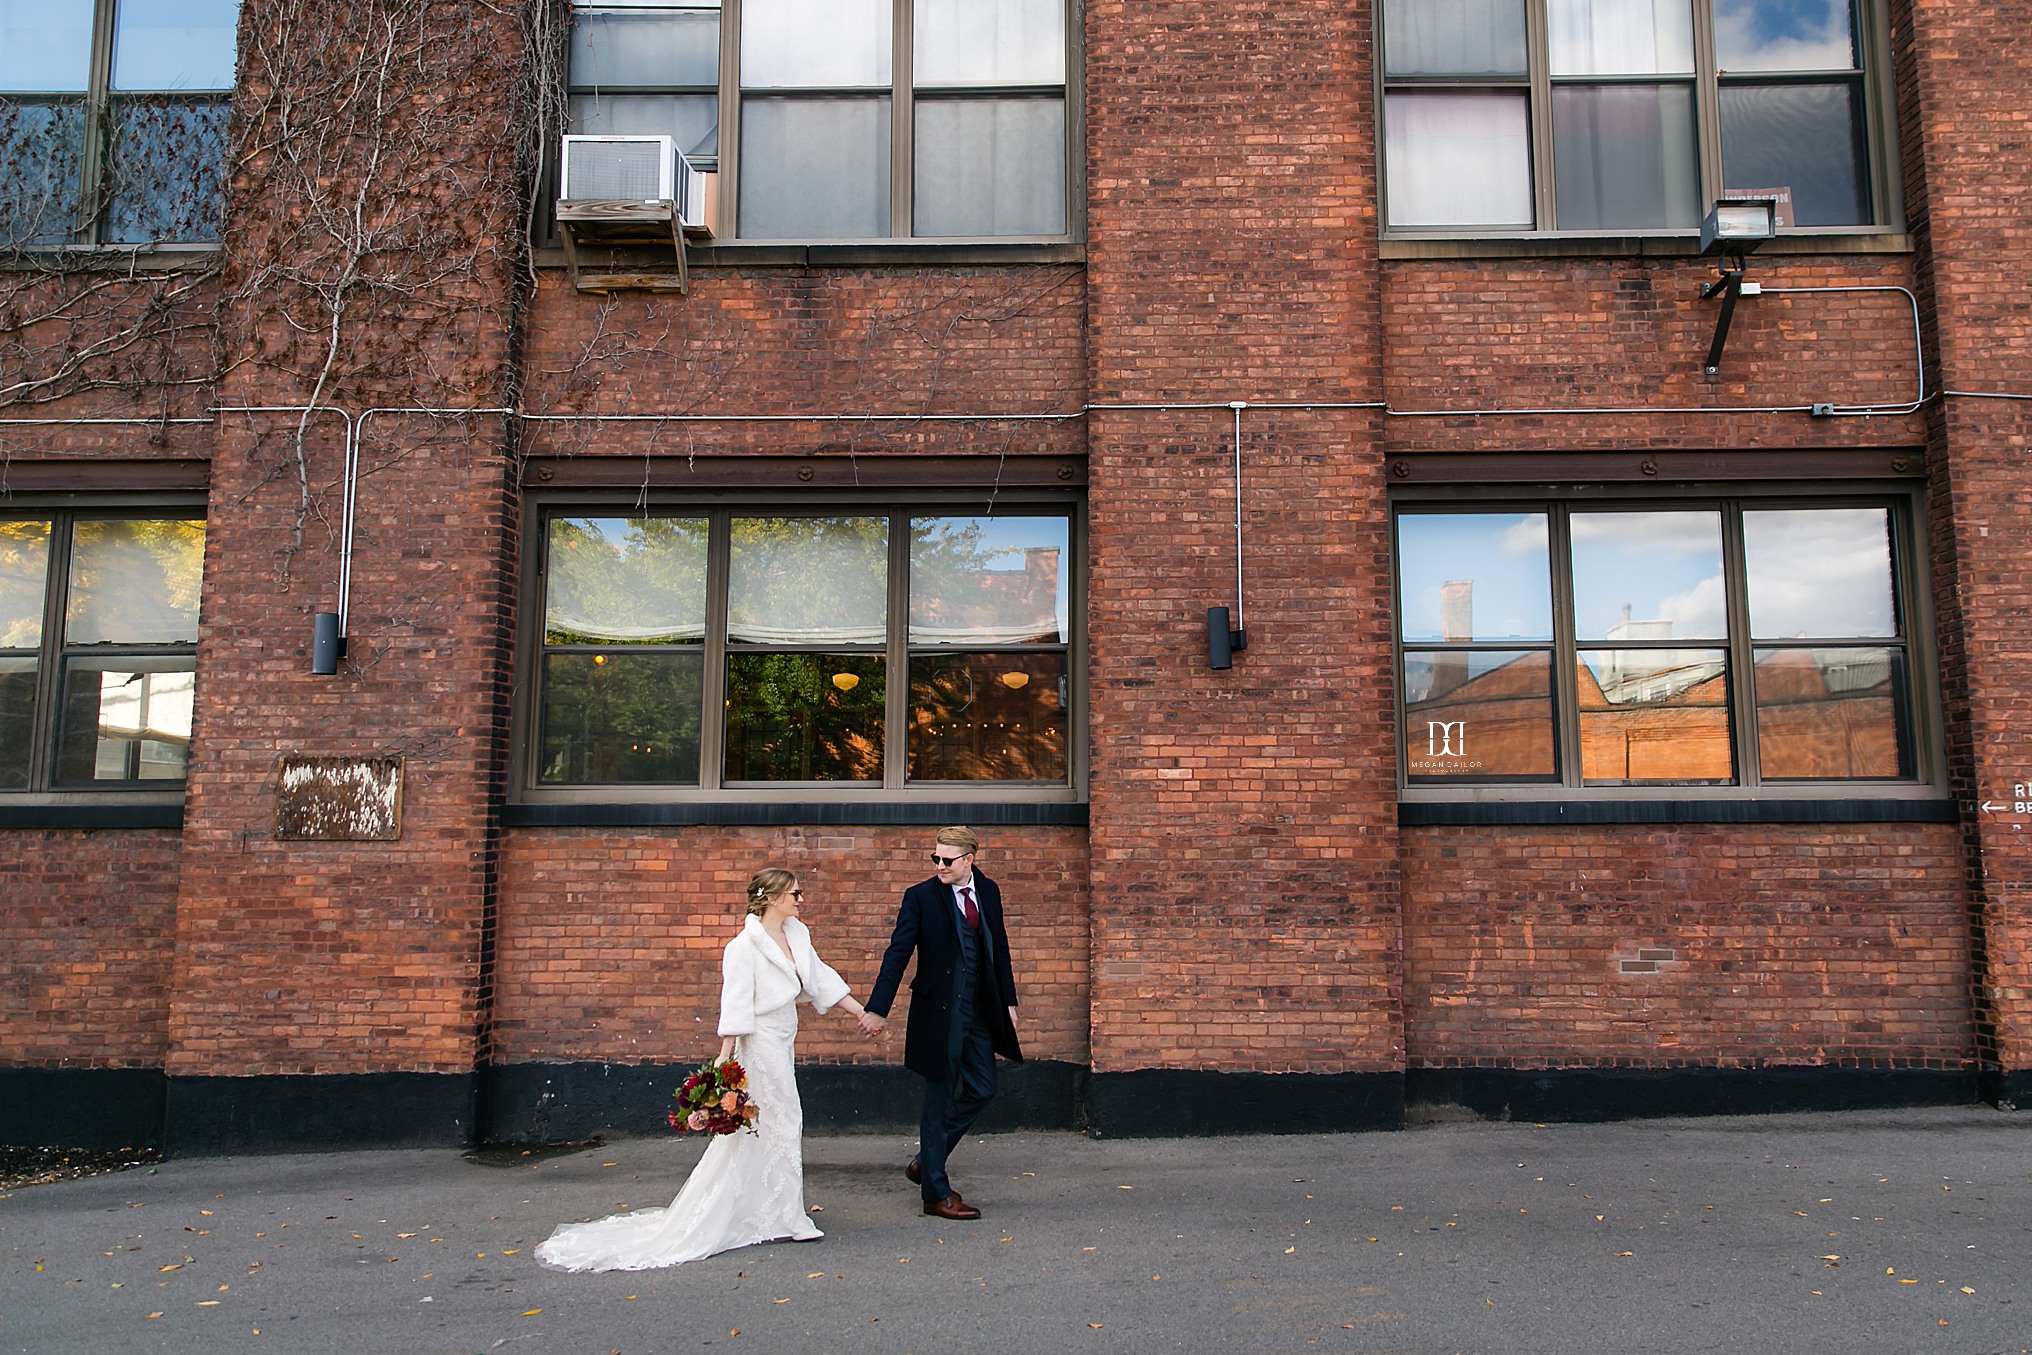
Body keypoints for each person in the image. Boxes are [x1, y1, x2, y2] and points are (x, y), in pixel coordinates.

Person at [536, 868, 875, 1271]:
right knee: (778, 1120)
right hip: (759, 1043)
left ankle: (776, 1210)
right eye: (794, 893)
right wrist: (725, 1057)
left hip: (784, 1036)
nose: (801, 900)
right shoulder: (743, 947)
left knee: (775, 1124)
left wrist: (863, 1013)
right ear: (770, 897)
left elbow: (820, 980)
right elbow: (735, 1003)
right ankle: (784, 1216)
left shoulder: (798, 935)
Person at [859, 826, 1023, 1220]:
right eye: (936, 858)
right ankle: (935, 1191)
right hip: (939, 1015)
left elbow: (998, 947)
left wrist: (1009, 1000)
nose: (940, 866)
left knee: (984, 1087)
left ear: (969, 860)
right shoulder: (920, 897)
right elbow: (897, 953)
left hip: (980, 1011)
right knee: (939, 1097)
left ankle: (926, 1159)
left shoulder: (989, 891)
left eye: (947, 860)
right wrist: (878, 1008)